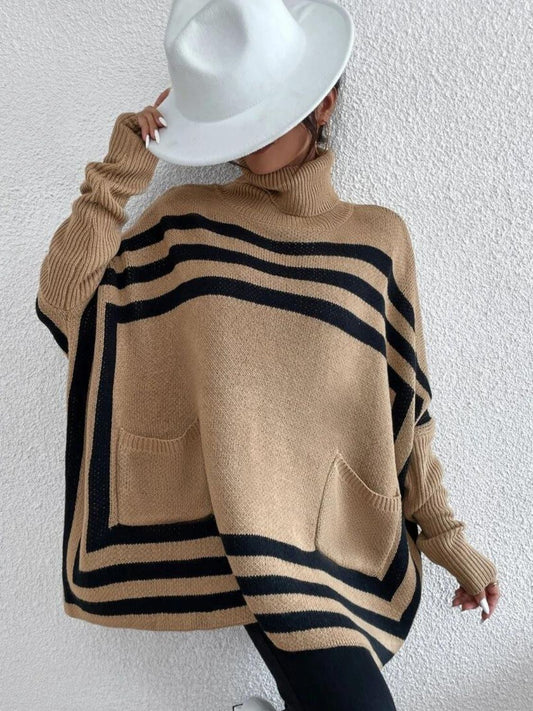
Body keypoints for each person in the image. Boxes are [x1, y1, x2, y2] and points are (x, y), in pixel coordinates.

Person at [35, 2, 500, 709]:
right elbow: (65, 301)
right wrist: (124, 164)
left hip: (338, 533)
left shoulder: (377, 240)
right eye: (235, 112)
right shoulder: (186, 223)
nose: (249, 132)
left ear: (324, 101)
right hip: (242, 532)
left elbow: (405, 408)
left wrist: (446, 538)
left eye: (267, 108)